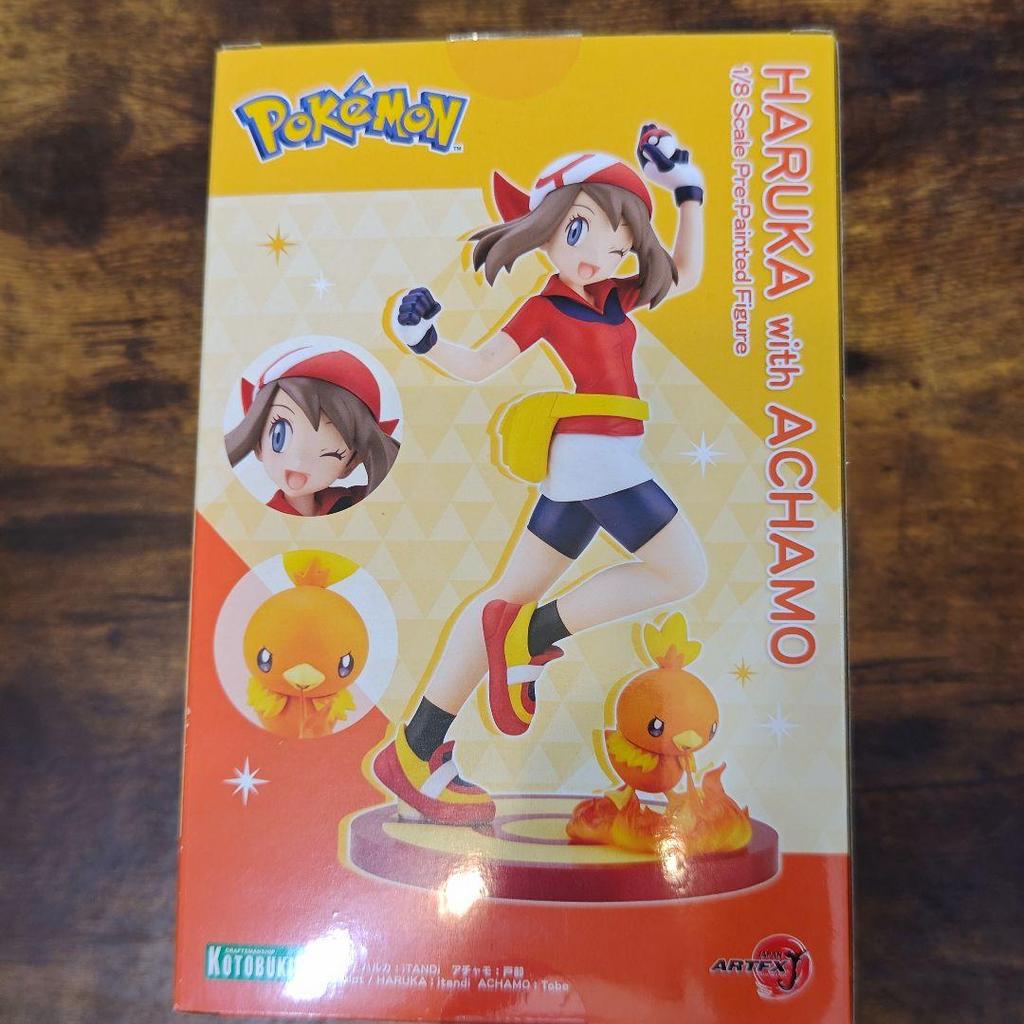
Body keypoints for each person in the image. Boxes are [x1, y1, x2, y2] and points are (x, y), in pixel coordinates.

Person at [375, 124, 708, 824]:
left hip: (589, 466)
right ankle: (531, 634)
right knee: (684, 570)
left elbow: (686, 272)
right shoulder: (545, 307)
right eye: (576, 232)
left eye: (618, 243)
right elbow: (479, 364)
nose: (596, 255)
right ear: (545, 230)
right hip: (596, 459)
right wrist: (424, 340)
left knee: (503, 597)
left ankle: (414, 748)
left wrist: (688, 191)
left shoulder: (616, 298)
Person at [225, 346, 400, 516]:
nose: (298, 462)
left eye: (331, 453)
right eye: (279, 437)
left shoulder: (355, 502)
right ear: (258, 443)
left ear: (351, 463)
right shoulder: (258, 520)